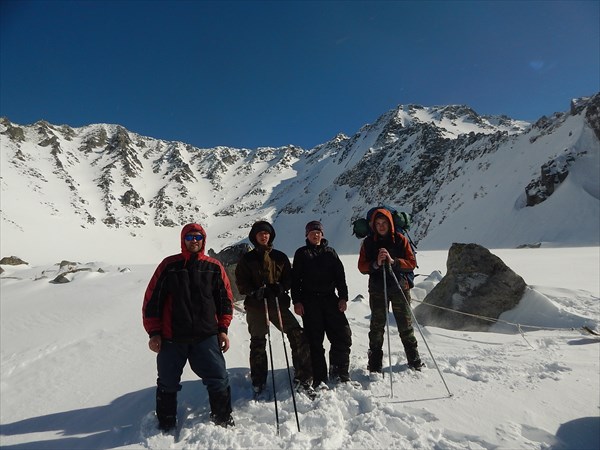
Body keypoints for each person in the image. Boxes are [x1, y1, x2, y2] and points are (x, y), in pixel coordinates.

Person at [142, 223, 235, 431]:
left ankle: (222, 420)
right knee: (167, 382)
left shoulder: (213, 267)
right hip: (172, 337)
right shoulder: (169, 266)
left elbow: (225, 301)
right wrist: (154, 333)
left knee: (218, 378)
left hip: (206, 336)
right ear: (183, 240)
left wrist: (223, 329)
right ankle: (166, 424)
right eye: (190, 237)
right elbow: (152, 301)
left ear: (203, 240)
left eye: (198, 237)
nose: (194, 241)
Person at [235, 220, 316, 398]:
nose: (264, 236)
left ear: (271, 235)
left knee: (297, 335)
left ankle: (303, 377)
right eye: (260, 234)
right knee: (258, 341)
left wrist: (280, 287)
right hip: (256, 306)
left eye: (266, 233)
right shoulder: (247, 259)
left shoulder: (280, 257)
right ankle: (258, 380)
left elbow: (289, 277)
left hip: (278, 304)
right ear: (254, 237)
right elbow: (241, 282)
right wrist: (255, 292)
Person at [357, 208, 423, 372]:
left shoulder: (400, 239)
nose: (381, 226)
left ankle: (414, 360)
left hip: (399, 287)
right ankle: (374, 364)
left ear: (390, 223)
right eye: (378, 223)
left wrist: (394, 262)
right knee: (377, 327)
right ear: (373, 225)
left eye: (384, 223)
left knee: (405, 326)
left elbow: (411, 263)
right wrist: (376, 264)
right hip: (378, 289)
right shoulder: (368, 242)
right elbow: (361, 266)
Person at [292, 220, 352, 388]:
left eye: (318, 232)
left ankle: (339, 371)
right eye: (312, 232)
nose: (315, 234)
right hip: (310, 302)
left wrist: (343, 297)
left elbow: (340, 277)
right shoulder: (301, 253)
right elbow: (295, 280)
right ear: (307, 235)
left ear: (322, 234)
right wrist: (296, 301)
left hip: (330, 300)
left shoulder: (330, 253)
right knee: (314, 341)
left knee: (342, 335)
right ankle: (319, 378)